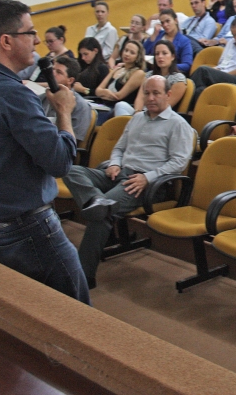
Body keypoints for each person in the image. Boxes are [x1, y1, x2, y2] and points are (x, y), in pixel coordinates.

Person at [0, 0, 89, 303]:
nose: (37, 40)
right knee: (76, 314)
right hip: (28, 229)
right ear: (6, 41)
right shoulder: (11, 93)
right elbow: (61, 161)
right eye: (30, 32)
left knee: (19, 312)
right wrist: (63, 111)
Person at [63, 75, 195, 288]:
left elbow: (178, 163)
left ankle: (83, 275)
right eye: (147, 93)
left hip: (147, 183)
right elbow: (119, 148)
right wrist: (115, 163)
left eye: (156, 93)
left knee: (101, 216)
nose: (150, 98)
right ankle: (98, 203)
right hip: (120, 173)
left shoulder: (178, 124)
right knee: (70, 170)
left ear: (168, 95)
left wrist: (147, 177)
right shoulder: (137, 118)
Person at [41, 56, 93, 142]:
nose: (53, 74)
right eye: (53, 69)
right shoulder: (42, 97)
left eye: (59, 72)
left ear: (70, 80)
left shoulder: (81, 106)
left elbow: (74, 141)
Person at [95, 39, 146, 117]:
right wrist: (106, 92)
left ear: (137, 57)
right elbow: (98, 90)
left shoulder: (138, 73)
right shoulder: (117, 68)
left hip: (118, 108)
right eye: (126, 50)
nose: (127, 54)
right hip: (103, 105)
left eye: (132, 53)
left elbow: (119, 96)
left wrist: (103, 93)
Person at [133, 40, 188, 112]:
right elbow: (140, 97)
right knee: (121, 105)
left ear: (173, 57)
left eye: (164, 53)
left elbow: (166, 105)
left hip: (161, 116)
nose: (160, 56)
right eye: (157, 54)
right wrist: (137, 113)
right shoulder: (149, 75)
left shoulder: (178, 79)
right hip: (142, 113)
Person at [143, 9, 193, 73]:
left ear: (175, 20)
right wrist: (153, 36)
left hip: (172, 73)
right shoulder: (159, 34)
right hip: (152, 71)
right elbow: (143, 52)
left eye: (167, 21)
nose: (165, 25)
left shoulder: (184, 41)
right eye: (162, 23)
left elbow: (187, 65)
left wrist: (168, 66)